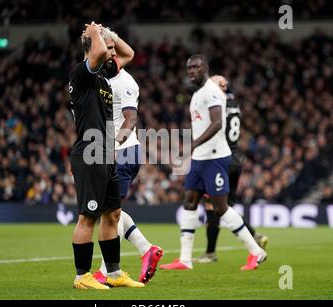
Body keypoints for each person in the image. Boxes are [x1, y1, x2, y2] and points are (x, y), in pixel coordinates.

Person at [160, 55, 267, 271]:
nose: (191, 71)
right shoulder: (199, 93)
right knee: (190, 202)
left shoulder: (211, 91)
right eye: (188, 67)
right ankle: (185, 259)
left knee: (220, 207)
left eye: (196, 67)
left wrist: (194, 144)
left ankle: (256, 252)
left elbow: (218, 123)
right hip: (200, 158)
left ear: (205, 68)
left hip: (215, 157)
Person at [68, 22, 143, 289]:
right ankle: (82, 277)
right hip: (90, 152)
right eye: (107, 50)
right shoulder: (83, 75)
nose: (113, 54)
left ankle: (114, 273)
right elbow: (100, 51)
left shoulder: (103, 76)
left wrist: (108, 34)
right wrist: (96, 34)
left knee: (112, 214)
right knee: (88, 217)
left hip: (106, 151)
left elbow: (128, 53)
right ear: (92, 51)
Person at [93, 57, 163, 285]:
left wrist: (112, 147)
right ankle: (146, 250)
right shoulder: (101, 80)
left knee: (109, 213)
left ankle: (107, 272)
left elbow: (131, 118)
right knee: (111, 212)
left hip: (123, 152)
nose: (110, 56)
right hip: (117, 151)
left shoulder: (125, 82)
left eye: (113, 50)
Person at [193, 75, 268, 264]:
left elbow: (213, 125)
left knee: (214, 205)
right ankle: (254, 235)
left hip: (221, 157)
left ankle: (210, 253)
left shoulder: (217, 101)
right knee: (226, 207)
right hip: (236, 158)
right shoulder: (233, 102)